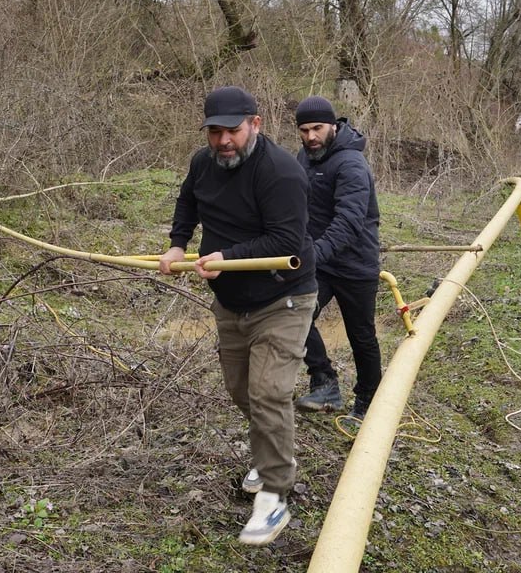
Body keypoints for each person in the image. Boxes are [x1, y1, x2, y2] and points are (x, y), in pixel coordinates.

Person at [159, 85, 318, 546]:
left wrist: (226, 256)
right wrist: (178, 243)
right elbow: (189, 200)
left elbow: (286, 242)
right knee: (241, 390)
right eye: (215, 131)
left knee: (269, 392)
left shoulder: (281, 173)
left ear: (255, 124)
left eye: (233, 130)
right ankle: (272, 449)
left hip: (283, 298)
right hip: (229, 299)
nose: (223, 140)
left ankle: (274, 495)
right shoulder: (202, 162)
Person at [290, 95, 382, 423]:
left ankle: (369, 402)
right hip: (323, 263)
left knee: (361, 336)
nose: (311, 136)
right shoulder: (305, 157)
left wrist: (313, 255)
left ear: (333, 125)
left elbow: (349, 222)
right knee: (293, 311)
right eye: (304, 130)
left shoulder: (351, 164)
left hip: (356, 265)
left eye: (317, 128)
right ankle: (325, 381)